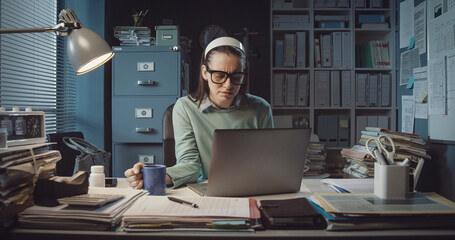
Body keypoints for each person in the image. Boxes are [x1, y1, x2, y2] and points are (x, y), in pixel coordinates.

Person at [124, 36, 273, 189]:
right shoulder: (185, 107)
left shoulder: (261, 109)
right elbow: (190, 166)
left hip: (251, 189)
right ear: (204, 73)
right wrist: (150, 175)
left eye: (236, 77)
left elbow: (269, 162)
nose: (228, 85)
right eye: (219, 76)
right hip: (205, 191)